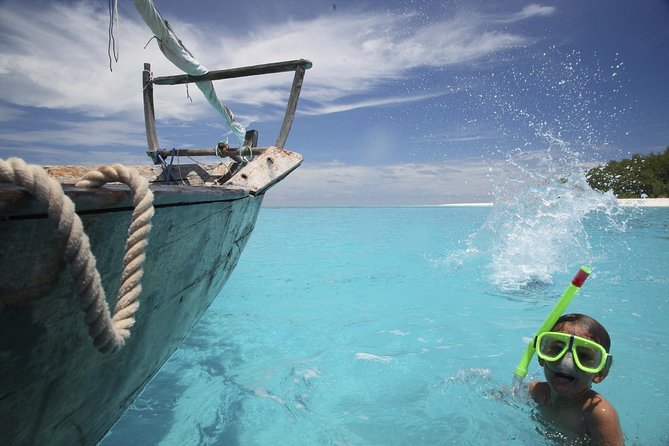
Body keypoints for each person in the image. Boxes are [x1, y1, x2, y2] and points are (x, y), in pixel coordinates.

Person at [529, 313, 624, 445]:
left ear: (600, 373)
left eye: (583, 356)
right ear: (541, 357)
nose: (566, 361)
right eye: (557, 349)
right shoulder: (536, 392)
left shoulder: (599, 414)